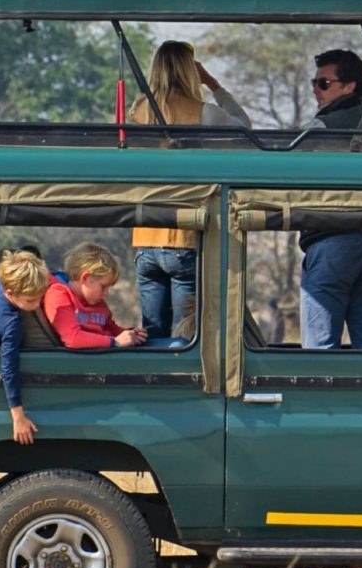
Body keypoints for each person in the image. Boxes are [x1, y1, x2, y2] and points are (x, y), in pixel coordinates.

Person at [129, 40, 250, 340]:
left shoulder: (138, 109)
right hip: (184, 235)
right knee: (186, 336)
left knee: (152, 332)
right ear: (190, 72)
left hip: (145, 236)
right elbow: (245, 128)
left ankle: (154, 382)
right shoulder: (204, 113)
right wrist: (213, 83)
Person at [299, 48, 362, 347]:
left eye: (323, 83)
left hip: (331, 237)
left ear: (349, 86)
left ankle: (320, 395)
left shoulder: (318, 128)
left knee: (319, 346)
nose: (315, 89)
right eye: (314, 82)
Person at [0, 249, 52, 445]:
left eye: (40, 297)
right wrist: (18, 416)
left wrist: (5, 257)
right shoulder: (11, 324)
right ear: (10, 293)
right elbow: (8, 369)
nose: (36, 304)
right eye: (30, 300)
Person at [45, 241, 145, 352]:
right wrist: (115, 342)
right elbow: (73, 338)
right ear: (85, 278)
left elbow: (109, 327)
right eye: (103, 287)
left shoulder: (95, 300)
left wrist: (130, 334)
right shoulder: (58, 295)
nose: (106, 293)